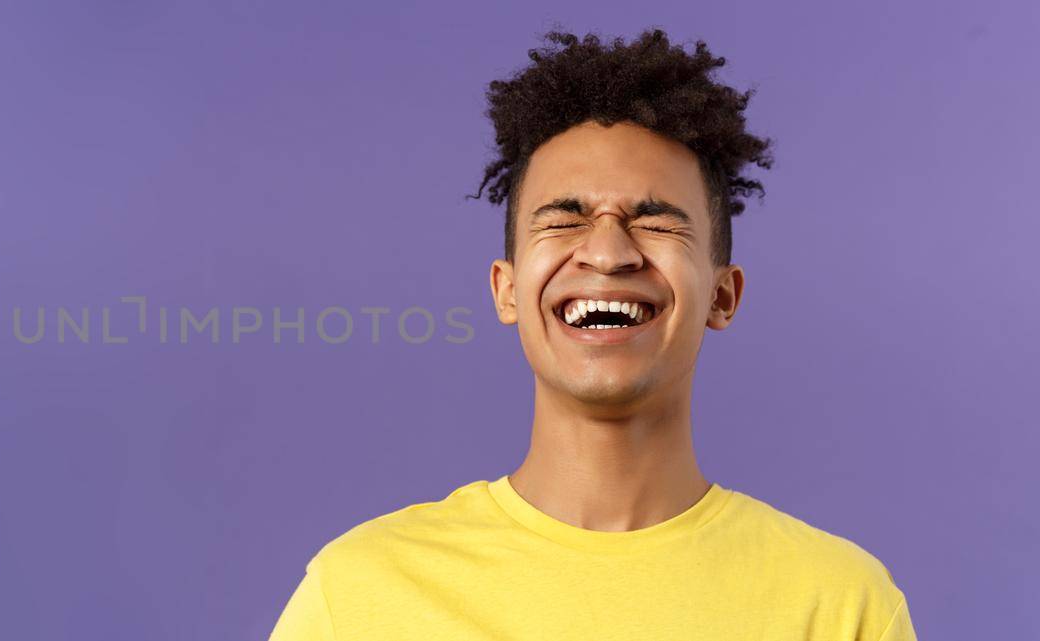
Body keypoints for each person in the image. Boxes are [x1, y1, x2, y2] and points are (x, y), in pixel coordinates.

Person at [267, 28, 916, 640]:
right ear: (507, 289)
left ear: (723, 294)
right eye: (564, 220)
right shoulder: (356, 596)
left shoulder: (840, 605)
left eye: (656, 222)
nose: (607, 252)